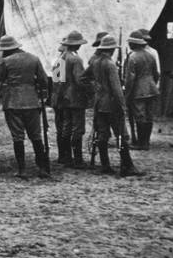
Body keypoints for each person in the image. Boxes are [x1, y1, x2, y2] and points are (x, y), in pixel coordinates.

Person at [0, 34, 51, 179]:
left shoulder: (5, 62)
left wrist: (1, 92)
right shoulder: (34, 59)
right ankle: (42, 167)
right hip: (32, 101)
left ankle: (22, 169)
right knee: (36, 136)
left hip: (12, 102)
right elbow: (44, 80)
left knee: (17, 137)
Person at [89, 34, 142, 176]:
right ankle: (128, 166)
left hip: (99, 103)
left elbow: (84, 78)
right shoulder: (110, 64)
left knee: (102, 135)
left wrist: (96, 88)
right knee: (121, 135)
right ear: (112, 49)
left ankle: (105, 165)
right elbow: (116, 88)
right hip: (112, 104)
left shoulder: (95, 61)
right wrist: (122, 105)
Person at [55, 31, 89, 168]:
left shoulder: (60, 59)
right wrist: (91, 87)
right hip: (76, 98)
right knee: (78, 128)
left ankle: (66, 157)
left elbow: (57, 81)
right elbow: (80, 80)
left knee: (66, 128)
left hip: (64, 98)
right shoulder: (76, 60)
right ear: (78, 45)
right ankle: (78, 159)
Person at [124, 29, 160, 150]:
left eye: (130, 42)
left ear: (134, 44)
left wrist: (127, 94)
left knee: (140, 116)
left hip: (138, 91)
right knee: (149, 116)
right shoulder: (150, 55)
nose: (129, 45)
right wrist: (152, 84)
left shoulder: (132, 57)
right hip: (152, 89)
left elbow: (130, 79)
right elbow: (156, 74)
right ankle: (146, 142)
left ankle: (141, 143)